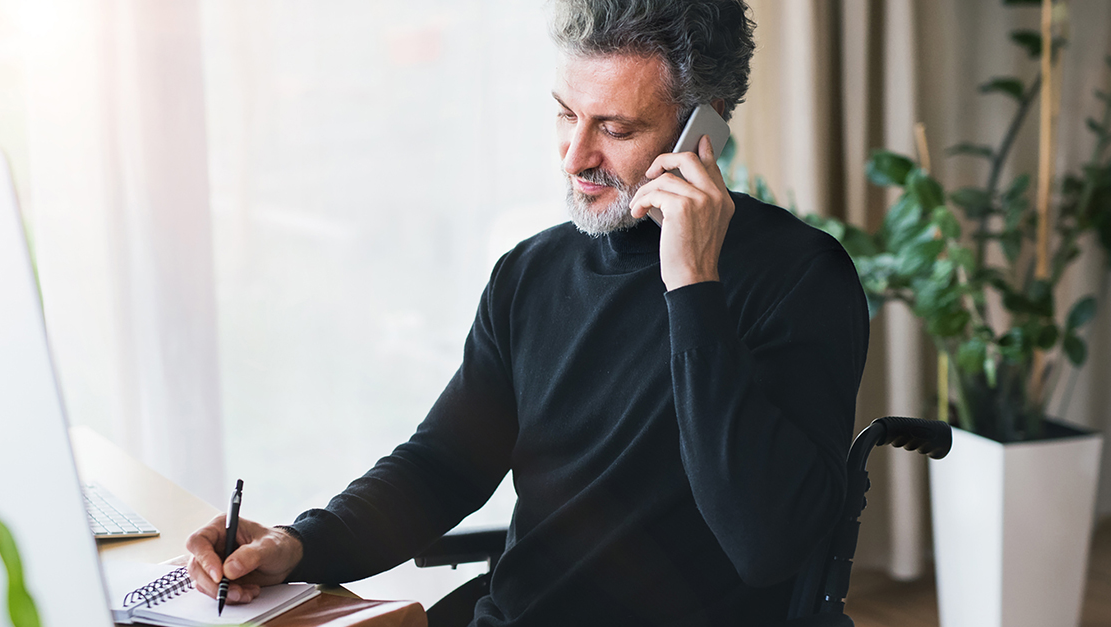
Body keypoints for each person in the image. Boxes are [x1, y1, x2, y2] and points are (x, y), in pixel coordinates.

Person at [186, 0, 869, 624]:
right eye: (566, 113)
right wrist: (297, 544)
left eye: (616, 127)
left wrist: (692, 286)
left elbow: (766, 544)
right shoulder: (530, 273)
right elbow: (443, 465)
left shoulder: (800, 279)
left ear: (705, 129)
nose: (576, 155)